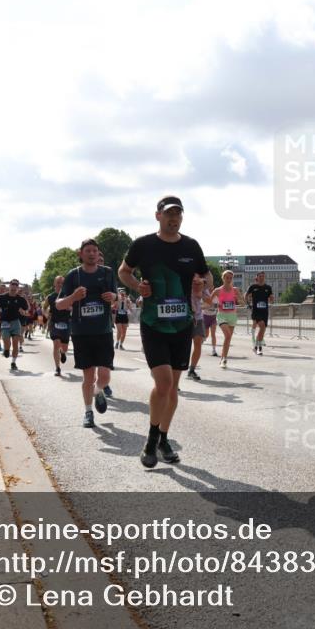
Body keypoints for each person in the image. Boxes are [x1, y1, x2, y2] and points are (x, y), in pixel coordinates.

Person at [118, 195, 210, 468]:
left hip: (182, 324)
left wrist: (200, 286)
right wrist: (137, 286)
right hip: (153, 323)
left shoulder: (191, 246)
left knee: (174, 388)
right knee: (164, 384)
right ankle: (150, 439)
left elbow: (206, 277)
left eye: (178, 214)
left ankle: (163, 438)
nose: (173, 218)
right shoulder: (143, 244)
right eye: (168, 213)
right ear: (158, 216)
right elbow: (124, 271)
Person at [58, 239, 118, 427]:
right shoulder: (73, 276)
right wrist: (73, 297)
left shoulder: (107, 273)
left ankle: (99, 391)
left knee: (105, 375)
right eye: (88, 251)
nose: (92, 254)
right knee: (88, 377)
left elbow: (117, 297)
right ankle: (88, 412)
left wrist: (113, 297)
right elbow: (59, 304)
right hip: (82, 333)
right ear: (81, 254)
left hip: (103, 331)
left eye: (95, 251)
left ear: (98, 254)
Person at [0, 279, 29, 370]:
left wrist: (24, 311)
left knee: (15, 343)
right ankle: (6, 349)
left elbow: (27, 308)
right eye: (13, 284)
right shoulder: (2, 297)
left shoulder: (20, 299)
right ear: (10, 285)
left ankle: (13, 362)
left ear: (17, 287)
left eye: (16, 285)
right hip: (5, 322)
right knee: (7, 342)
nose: (14, 286)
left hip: (16, 322)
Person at [212, 270, 244, 369]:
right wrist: (217, 304)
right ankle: (224, 359)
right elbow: (209, 301)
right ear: (223, 278)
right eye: (227, 277)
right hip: (222, 315)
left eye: (230, 278)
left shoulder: (235, 290)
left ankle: (223, 358)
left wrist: (239, 300)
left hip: (232, 316)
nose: (229, 279)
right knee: (228, 335)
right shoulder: (217, 290)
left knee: (228, 338)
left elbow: (243, 303)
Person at [45, 276, 71, 376]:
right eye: (58, 282)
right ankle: (57, 368)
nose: (60, 284)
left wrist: (70, 308)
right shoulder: (50, 297)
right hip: (54, 323)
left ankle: (63, 352)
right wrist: (46, 314)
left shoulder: (68, 295)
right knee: (56, 343)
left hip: (66, 322)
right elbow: (44, 308)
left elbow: (74, 306)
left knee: (64, 347)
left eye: (62, 283)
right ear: (54, 284)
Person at [246, 272, 274, 355]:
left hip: (265, 311)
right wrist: (248, 304)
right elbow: (246, 295)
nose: (261, 278)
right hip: (256, 311)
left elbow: (271, 297)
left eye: (263, 276)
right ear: (257, 277)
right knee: (261, 327)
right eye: (260, 276)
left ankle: (255, 346)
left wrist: (272, 299)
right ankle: (259, 348)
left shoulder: (268, 287)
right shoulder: (253, 287)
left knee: (263, 330)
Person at [187, 275, 206, 381]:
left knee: (198, 343)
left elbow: (208, 300)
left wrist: (201, 286)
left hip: (198, 318)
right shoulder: (183, 280)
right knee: (180, 346)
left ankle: (192, 369)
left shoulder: (202, 283)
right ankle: (174, 377)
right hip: (182, 318)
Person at [201, 280, 218, 356]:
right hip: (205, 317)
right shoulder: (205, 296)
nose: (211, 288)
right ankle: (199, 344)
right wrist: (207, 306)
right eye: (209, 287)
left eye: (212, 287)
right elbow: (201, 306)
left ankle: (214, 350)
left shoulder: (216, 297)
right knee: (206, 335)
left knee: (213, 334)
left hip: (213, 317)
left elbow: (218, 306)